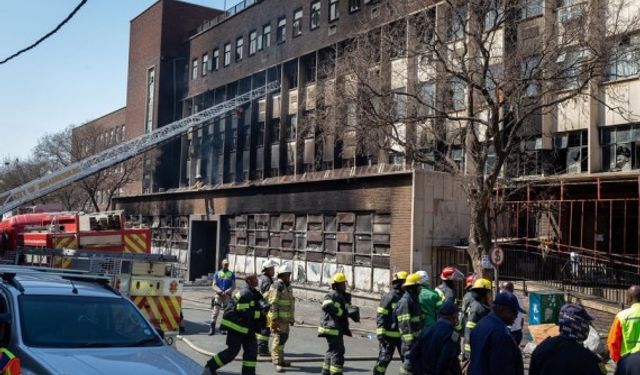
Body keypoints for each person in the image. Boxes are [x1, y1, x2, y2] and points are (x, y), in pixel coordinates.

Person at [202, 274, 269, 375]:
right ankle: (210, 367)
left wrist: (265, 308)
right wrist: (260, 313)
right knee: (232, 352)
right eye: (255, 279)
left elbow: (258, 305)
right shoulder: (244, 293)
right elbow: (244, 312)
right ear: (249, 281)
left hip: (248, 329)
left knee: (251, 353)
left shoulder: (255, 293)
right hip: (237, 328)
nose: (257, 280)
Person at [529, 304, 605, 375]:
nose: (589, 327)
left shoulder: (541, 348)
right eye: (587, 324)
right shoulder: (592, 360)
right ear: (581, 326)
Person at [469, 292, 525, 375]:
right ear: (501, 309)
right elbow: (501, 369)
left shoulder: (481, 324)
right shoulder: (500, 333)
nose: (516, 316)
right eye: (514, 312)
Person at [409, 301, 462, 375]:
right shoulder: (453, 334)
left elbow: (413, 355)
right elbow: (445, 359)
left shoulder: (426, 330)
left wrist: (419, 372)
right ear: (453, 316)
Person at [318, 272, 356, 375]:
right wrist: (340, 312)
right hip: (332, 328)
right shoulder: (331, 294)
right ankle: (336, 373)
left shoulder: (342, 296)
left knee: (331, 350)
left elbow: (347, 308)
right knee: (338, 351)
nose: (344, 286)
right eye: (342, 284)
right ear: (336, 285)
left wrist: (352, 312)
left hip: (332, 327)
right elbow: (326, 306)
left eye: (344, 284)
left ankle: (326, 372)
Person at [373, 271, 407, 375]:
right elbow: (381, 315)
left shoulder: (406, 297)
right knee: (384, 359)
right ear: (398, 283)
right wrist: (380, 333)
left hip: (402, 336)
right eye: (404, 282)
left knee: (407, 360)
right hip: (388, 335)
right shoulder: (389, 297)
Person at [267, 262, 295, 372]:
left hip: (285, 320)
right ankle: (276, 362)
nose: (289, 277)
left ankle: (281, 360)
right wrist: (273, 320)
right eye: (287, 275)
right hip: (277, 319)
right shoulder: (276, 286)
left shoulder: (287, 286)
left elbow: (290, 304)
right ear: (281, 275)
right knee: (277, 340)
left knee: (283, 339)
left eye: (289, 274)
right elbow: (273, 303)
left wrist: (291, 319)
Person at [396, 273, 424, 375]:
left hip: (417, 342)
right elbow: (405, 325)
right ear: (413, 287)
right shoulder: (405, 302)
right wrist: (409, 344)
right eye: (419, 286)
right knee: (408, 368)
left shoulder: (414, 300)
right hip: (410, 344)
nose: (421, 289)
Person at [608, 285, 640, 362]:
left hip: (628, 361)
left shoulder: (621, 316)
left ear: (629, 299)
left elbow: (613, 342)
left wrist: (619, 361)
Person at [463, 278, 492, 360]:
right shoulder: (477, 308)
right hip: (475, 353)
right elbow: (469, 331)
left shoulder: (481, 306)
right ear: (484, 293)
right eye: (489, 292)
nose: (490, 295)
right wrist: (469, 354)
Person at [257, 259, 278, 356]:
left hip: (261, 307)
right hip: (265, 308)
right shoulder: (267, 280)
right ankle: (262, 350)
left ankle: (260, 348)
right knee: (265, 329)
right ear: (268, 269)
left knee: (262, 328)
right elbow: (268, 295)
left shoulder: (263, 278)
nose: (273, 270)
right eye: (272, 268)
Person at [209, 259, 236, 335]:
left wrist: (228, 291)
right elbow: (214, 285)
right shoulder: (217, 273)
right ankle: (212, 328)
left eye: (227, 264)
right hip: (219, 295)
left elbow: (234, 286)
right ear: (222, 264)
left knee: (226, 313)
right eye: (225, 264)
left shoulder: (231, 274)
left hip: (227, 296)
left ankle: (224, 328)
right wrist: (219, 291)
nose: (226, 265)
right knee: (215, 312)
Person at [500, 281, 525, 345]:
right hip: (518, 332)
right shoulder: (519, 299)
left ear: (504, 289)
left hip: (508, 332)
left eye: (501, 289)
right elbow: (522, 319)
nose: (500, 291)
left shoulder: (503, 300)